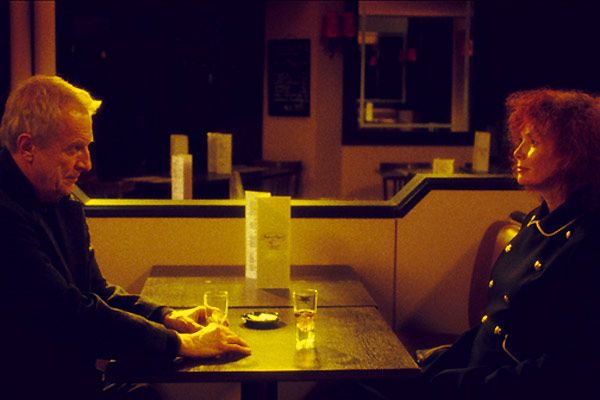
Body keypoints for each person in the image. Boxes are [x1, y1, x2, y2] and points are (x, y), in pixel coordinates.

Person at [0, 75, 251, 400]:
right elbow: (68, 314)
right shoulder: (6, 215)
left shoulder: (60, 201)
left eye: (87, 147)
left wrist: (166, 316)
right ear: (27, 147)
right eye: (74, 148)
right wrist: (182, 343)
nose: (87, 163)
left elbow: (96, 291)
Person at [420, 88, 600, 399]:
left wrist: (460, 386)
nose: (517, 152)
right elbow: (495, 324)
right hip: (480, 375)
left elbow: (571, 368)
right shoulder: (537, 221)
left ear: (573, 154)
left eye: (533, 142)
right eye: (520, 140)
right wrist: (439, 367)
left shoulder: (588, 241)